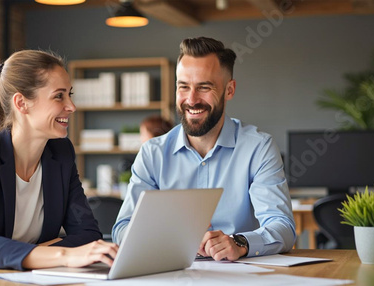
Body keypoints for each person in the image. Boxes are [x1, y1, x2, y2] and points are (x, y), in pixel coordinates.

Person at [0, 50, 118, 275]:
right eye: (59, 96)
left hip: (16, 279)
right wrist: (63, 254)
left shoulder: (61, 154)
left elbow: (88, 235)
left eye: (70, 94)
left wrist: (33, 254)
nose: (71, 106)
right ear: (22, 103)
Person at [113, 37, 296, 261]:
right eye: (183, 87)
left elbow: (283, 226)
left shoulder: (259, 148)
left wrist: (240, 243)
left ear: (229, 90)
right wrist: (170, 239)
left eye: (204, 87)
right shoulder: (153, 153)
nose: (191, 99)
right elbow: (122, 228)